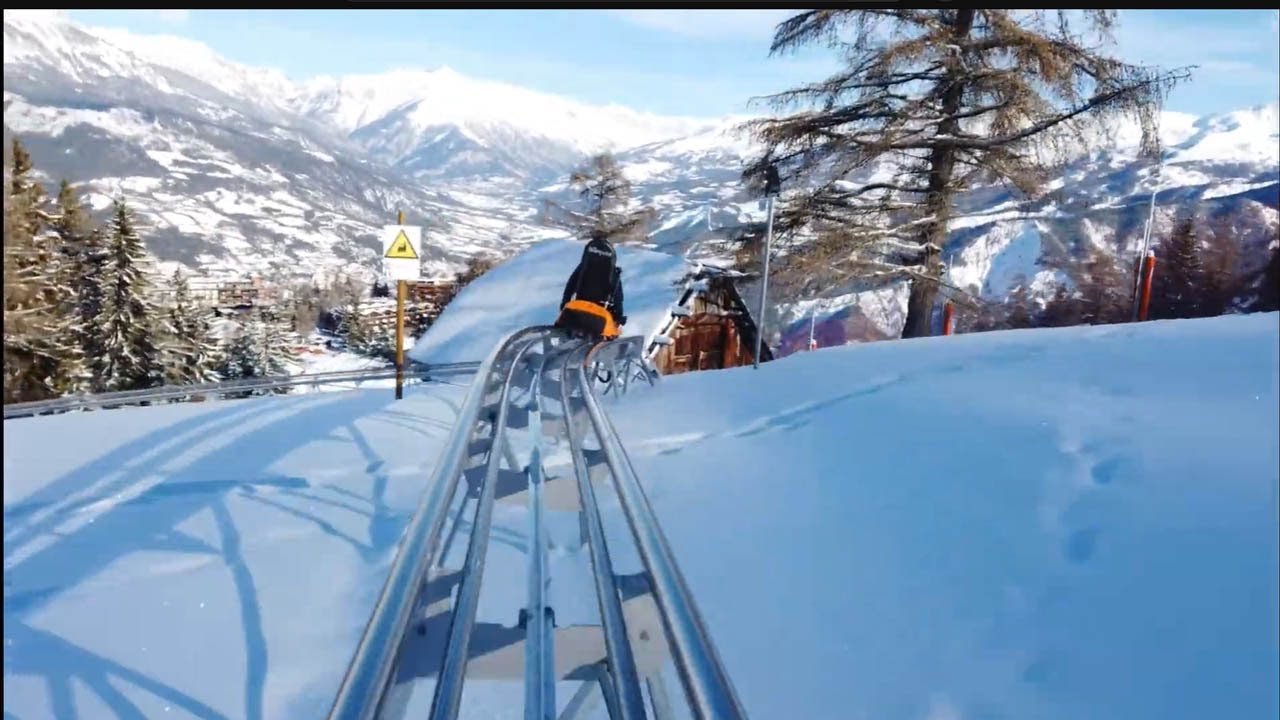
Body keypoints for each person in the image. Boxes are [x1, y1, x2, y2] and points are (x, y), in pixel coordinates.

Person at [556, 231, 626, 340]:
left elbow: (570, 285)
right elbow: (618, 297)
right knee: (613, 332)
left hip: (575, 311)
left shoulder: (583, 268)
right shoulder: (613, 273)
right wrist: (619, 317)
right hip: (600, 316)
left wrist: (564, 304)